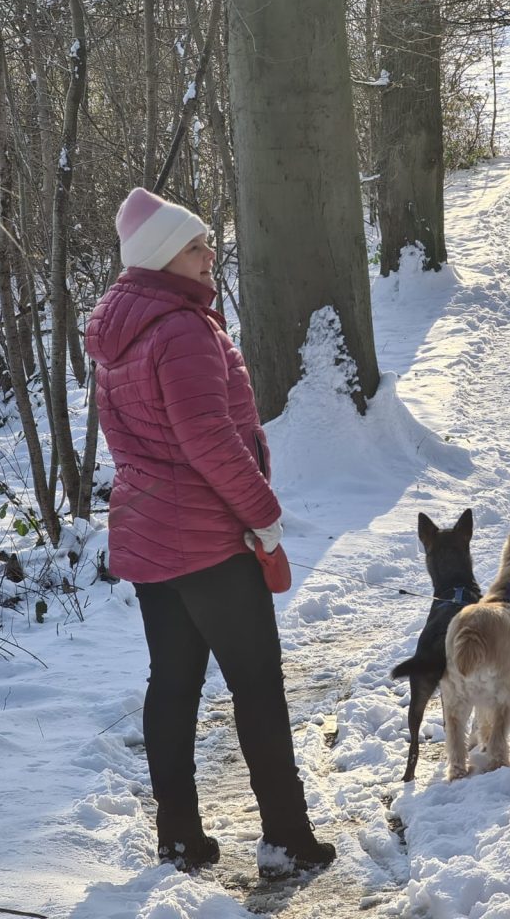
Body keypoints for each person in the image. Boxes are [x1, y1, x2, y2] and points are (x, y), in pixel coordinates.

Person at [84, 187, 336, 876]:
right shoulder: (182, 330)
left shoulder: (116, 334)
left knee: (173, 683)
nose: (209, 252)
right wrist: (263, 516)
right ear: (163, 254)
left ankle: (179, 840)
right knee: (256, 684)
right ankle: (286, 839)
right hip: (205, 538)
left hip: (148, 533)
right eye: (195, 244)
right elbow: (212, 441)